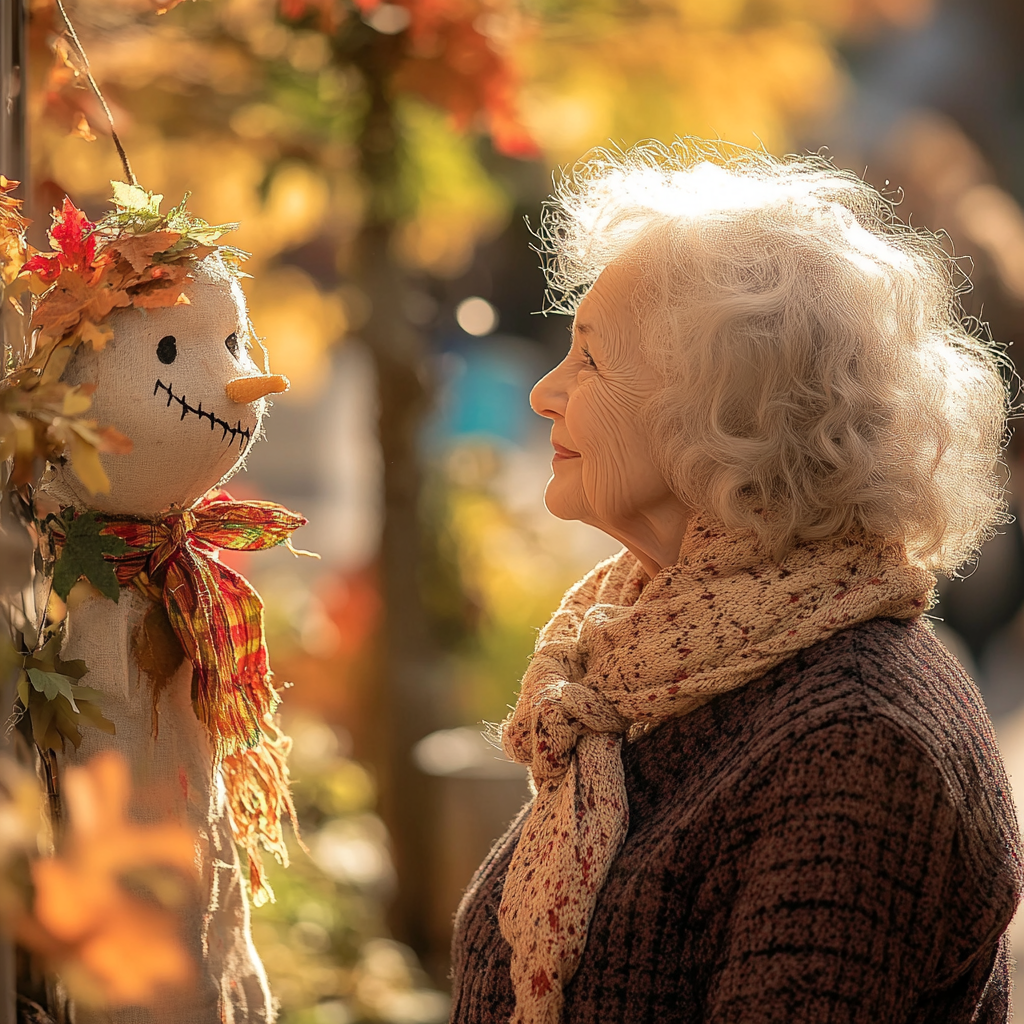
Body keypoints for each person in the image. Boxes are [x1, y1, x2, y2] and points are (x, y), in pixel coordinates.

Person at [448, 141, 1023, 1024]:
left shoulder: (859, 741)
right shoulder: (644, 662)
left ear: (726, 408)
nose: (543, 393)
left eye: (591, 360)